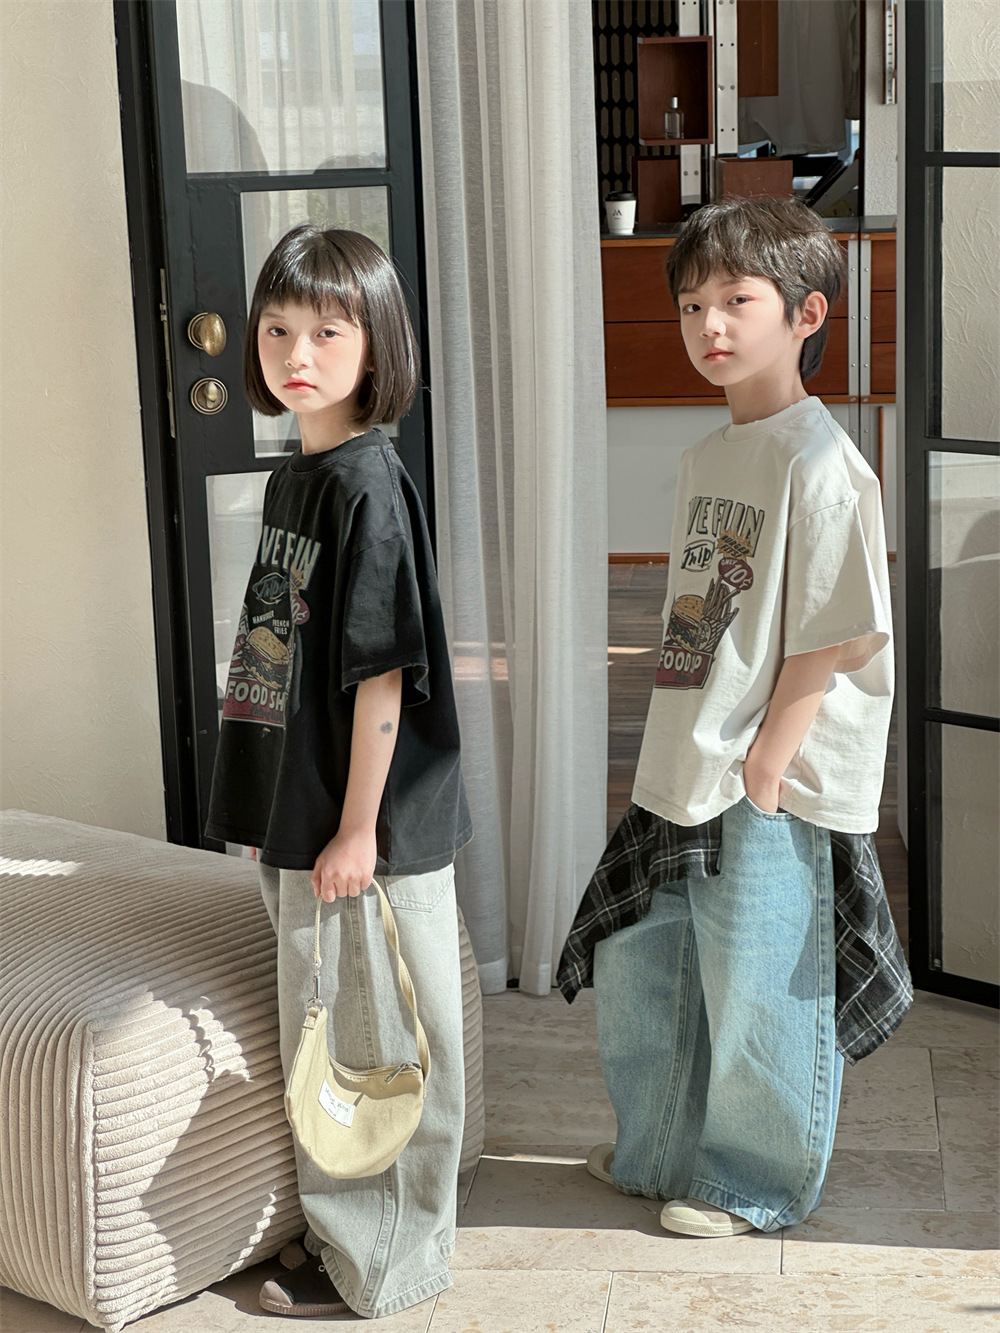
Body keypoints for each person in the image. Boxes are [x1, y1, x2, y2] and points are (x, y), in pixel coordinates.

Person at [558, 197, 911, 1238]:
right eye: (690, 305)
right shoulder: (711, 458)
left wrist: (767, 762)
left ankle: (754, 1179)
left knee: (761, 982)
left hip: (768, 775)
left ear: (807, 314)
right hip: (689, 755)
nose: (708, 324)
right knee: (650, 966)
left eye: (735, 300)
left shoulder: (823, 463)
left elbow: (831, 634)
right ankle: (658, 1149)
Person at [205, 225, 472, 1317]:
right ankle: (342, 1231)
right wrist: (276, 811)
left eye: (326, 331)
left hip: (367, 826)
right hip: (308, 814)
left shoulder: (368, 486)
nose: (295, 353)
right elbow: (280, 660)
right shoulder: (297, 479)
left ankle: (389, 1259)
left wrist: (358, 827)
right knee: (327, 1033)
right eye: (277, 329)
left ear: (378, 345)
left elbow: (382, 678)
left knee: (382, 1042)